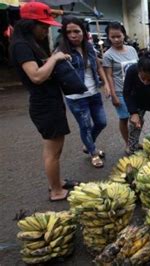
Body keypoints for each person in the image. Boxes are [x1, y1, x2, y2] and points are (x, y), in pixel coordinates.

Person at [9, 2, 78, 201]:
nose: (46, 30)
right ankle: (56, 191)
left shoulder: (30, 44)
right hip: (44, 105)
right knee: (52, 150)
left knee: (57, 148)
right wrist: (54, 59)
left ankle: (56, 182)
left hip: (50, 102)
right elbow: (37, 76)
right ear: (30, 24)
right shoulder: (21, 46)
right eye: (43, 26)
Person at [57, 16, 109, 168]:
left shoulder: (89, 48)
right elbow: (56, 71)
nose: (73, 35)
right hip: (76, 97)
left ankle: (88, 145)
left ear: (84, 32)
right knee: (85, 126)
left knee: (101, 122)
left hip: (94, 93)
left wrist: (105, 83)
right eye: (69, 32)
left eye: (77, 31)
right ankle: (93, 153)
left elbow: (98, 66)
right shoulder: (61, 51)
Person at [102, 22, 138, 153]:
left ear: (124, 35)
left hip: (136, 91)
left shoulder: (132, 50)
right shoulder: (108, 55)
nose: (116, 39)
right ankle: (128, 143)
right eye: (113, 37)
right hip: (120, 92)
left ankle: (135, 141)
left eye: (119, 36)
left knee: (137, 117)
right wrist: (114, 95)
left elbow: (139, 70)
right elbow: (109, 76)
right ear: (109, 38)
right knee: (124, 118)